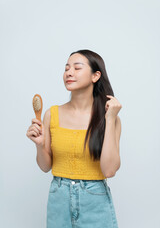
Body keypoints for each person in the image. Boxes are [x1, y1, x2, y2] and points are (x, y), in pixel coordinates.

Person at [26, 49, 122, 228]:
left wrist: (109, 119)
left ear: (95, 76)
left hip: (95, 199)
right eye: (66, 68)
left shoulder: (110, 118)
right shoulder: (51, 114)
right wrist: (39, 145)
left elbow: (109, 171)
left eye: (77, 68)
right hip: (58, 199)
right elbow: (46, 166)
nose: (69, 73)